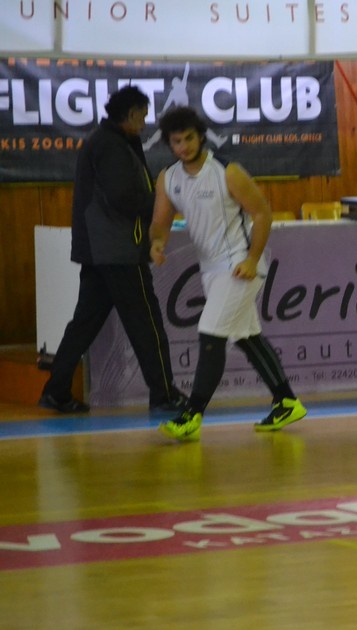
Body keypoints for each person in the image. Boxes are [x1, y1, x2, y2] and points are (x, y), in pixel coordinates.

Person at [149, 107, 306, 441]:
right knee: (246, 336)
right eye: (176, 141)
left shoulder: (227, 171)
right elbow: (160, 223)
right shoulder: (168, 178)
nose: (184, 146)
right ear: (169, 143)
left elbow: (262, 213)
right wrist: (157, 243)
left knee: (211, 333)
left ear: (200, 136)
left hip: (239, 266)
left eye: (189, 138)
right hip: (211, 271)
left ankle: (192, 415)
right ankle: (286, 401)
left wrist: (252, 259)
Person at [39, 85, 185, 414]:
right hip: (118, 250)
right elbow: (124, 197)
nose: (145, 123)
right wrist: (162, 201)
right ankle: (164, 394)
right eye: (143, 116)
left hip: (100, 249)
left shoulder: (108, 141)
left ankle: (56, 390)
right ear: (130, 114)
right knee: (146, 323)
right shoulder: (110, 145)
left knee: (85, 323)